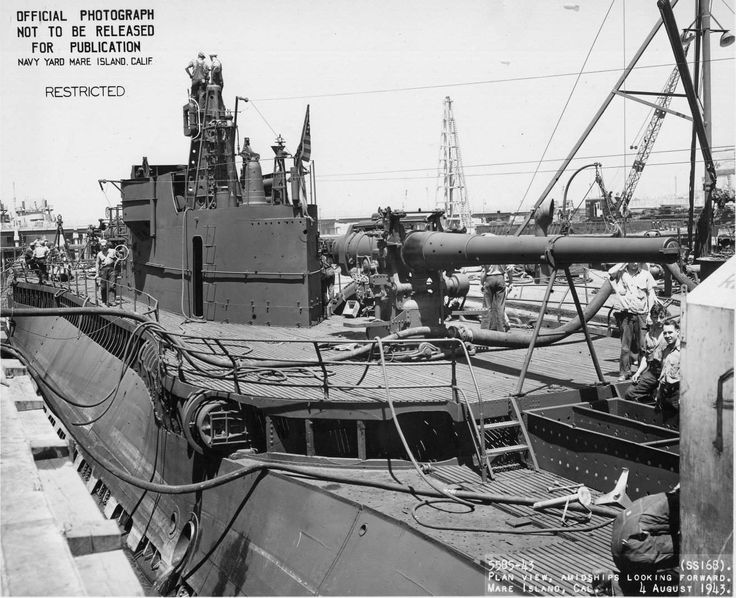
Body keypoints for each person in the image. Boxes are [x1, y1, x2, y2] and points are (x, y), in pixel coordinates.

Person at [609, 262, 658, 381]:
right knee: (625, 346)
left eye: (637, 260)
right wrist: (624, 261)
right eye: (632, 260)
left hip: (642, 314)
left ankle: (642, 372)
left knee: (643, 345)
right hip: (626, 314)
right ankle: (624, 372)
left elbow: (651, 294)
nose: (635, 263)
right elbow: (610, 272)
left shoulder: (646, 274)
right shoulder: (620, 274)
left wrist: (650, 315)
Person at [623, 303, 667, 403]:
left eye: (662, 317)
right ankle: (649, 400)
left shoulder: (669, 334)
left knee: (665, 400)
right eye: (656, 317)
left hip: (667, 373)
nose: (659, 320)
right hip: (654, 372)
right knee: (630, 393)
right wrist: (638, 372)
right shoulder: (648, 335)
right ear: (651, 317)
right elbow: (646, 357)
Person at [657, 321, 681, 420]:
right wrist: (659, 392)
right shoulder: (665, 350)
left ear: (678, 332)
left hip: (677, 394)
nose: (667, 336)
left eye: (670, 332)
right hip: (666, 392)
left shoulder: (685, 352)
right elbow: (663, 374)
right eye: (665, 333)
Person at [480, 264, 513, 332]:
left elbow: (484, 271)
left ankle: (484, 329)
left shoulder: (488, 254)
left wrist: (481, 283)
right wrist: (511, 282)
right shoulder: (503, 253)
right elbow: (510, 269)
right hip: (500, 278)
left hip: (489, 278)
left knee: (487, 306)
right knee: (500, 307)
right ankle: (500, 330)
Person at [95, 239, 118, 306]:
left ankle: (112, 301)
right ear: (100, 247)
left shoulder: (113, 251)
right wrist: (97, 273)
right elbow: (97, 263)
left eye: (105, 246)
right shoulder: (99, 254)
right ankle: (104, 300)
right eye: (102, 246)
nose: (104, 247)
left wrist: (117, 260)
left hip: (112, 269)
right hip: (103, 270)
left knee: (112, 285)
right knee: (103, 286)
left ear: (107, 245)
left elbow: (120, 256)